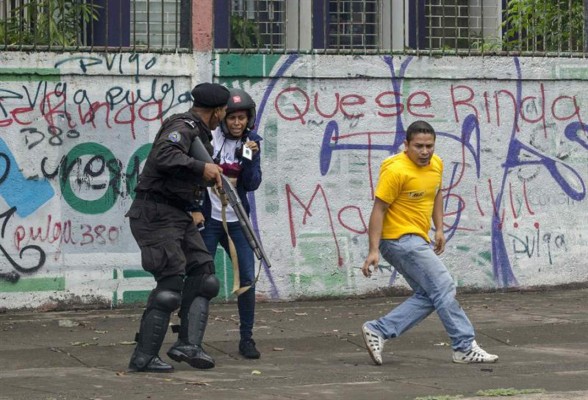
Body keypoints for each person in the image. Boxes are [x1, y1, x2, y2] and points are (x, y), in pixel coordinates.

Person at [360, 120, 499, 365]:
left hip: (418, 237)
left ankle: (379, 330)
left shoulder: (436, 164)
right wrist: (373, 250)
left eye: (429, 146)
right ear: (406, 145)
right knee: (444, 285)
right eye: (418, 146)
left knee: (430, 294)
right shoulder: (395, 170)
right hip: (398, 240)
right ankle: (464, 346)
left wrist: (439, 229)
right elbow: (379, 209)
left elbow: (436, 193)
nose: (425, 152)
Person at [125, 82, 230, 373]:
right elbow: (163, 156)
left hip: (177, 214)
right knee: (171, 284)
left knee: (204, 275)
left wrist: (208, 184)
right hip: (155, 214)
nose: (223, 117)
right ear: (217, 111)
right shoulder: (183, 126)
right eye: (223, 112)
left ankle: (188, 345)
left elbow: (181, 175)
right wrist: (202, 169)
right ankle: (143, 357)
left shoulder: (200, 134)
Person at [198, 88, 263, 359]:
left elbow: (252, 184)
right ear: (223, 118)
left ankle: (246, 338)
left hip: (238, 220)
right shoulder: (209, 140)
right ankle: (193, 339)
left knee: (247, 279)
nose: (237, 123)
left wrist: (249, 158)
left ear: (249, 120)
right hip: (210, 218)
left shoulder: (252, 143)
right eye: (232, 118)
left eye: (242, 118)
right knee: (202, 279)